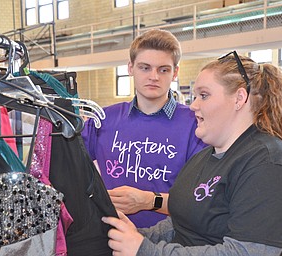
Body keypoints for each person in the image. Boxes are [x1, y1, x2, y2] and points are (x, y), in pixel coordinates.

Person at [101, 51, 282, 255]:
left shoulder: (269, 163)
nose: (193, 105)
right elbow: (182, 223)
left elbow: (246, 252)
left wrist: (146, 250)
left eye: (204, 95)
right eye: (195, 96)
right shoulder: (205, 157)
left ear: (239, 98)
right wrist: (139, 236)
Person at [81, 29, 206, 228]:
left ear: (175, 72)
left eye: (163, 69)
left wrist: (148, 200)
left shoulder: (195, 124)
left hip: (172, 241)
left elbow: (202, 199)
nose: (154, 76)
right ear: (130, 68)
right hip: (111, 237)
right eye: (145, 68)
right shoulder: (103, 120)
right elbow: (70, 168)